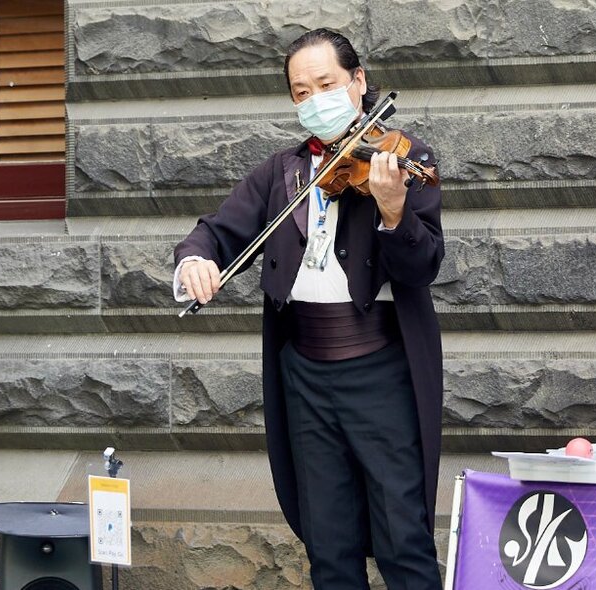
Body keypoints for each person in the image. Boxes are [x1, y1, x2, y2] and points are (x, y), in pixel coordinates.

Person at [172, 28, 444, 590]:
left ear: (359, 82)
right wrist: (195, 263)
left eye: (327, 84)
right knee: (328, 541)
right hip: (304, 373)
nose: (314, 99)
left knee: (404, 536)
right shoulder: (283, 172)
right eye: (301, 92)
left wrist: (395, 213)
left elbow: (421, 270)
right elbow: (216, 233)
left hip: (380, 370)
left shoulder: (401, 158)